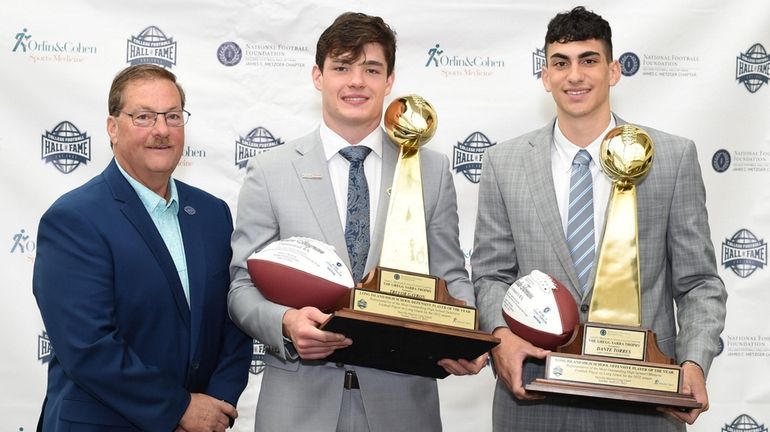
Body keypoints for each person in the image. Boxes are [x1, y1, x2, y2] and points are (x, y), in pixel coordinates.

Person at [471, 6, 727, 432]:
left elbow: (698, 282)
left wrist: (693, 362)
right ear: (545, 75)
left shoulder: (671, 158)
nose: (575, 76)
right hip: (537, 394)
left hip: (646, 400)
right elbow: (490, 275)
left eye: (589, 60)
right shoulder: (504, 162)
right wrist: (502, 335)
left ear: (613, 71)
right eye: (561, 63)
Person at [228, 11, 486, 432]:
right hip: (298, 408)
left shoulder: (430, 170)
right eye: (341, 67)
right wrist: (286, 323)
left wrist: (465, 336)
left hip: (403, 405)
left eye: (371, 69)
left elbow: (451, 278)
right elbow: (241, 287)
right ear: (318, 76)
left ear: (389, 81)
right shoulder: (270, 171)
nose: (356, 81)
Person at [33, 64, 252, 432]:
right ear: (112, 128)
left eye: (172, 116)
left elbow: (234, 318)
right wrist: (179, 409)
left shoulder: (213, 213)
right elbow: (88, 346)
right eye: (144, 117)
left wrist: (218, 404)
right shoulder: (73, 219)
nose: (162, 130)